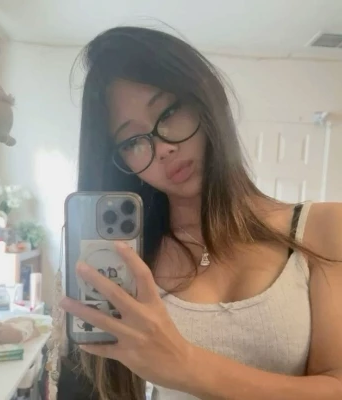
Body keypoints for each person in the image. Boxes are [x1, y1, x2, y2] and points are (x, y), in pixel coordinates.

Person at [60, 26, 342, 400]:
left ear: (205, 101)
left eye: (169, 112)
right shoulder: (131, 257)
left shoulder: (323, 228)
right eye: (132, 141)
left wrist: (186, 365)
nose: (162, 148)